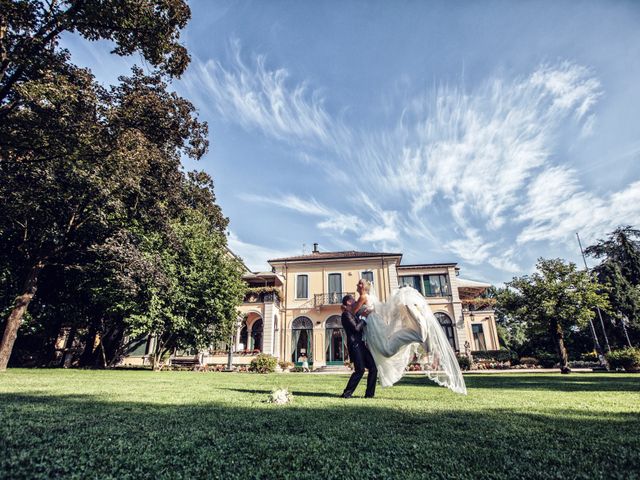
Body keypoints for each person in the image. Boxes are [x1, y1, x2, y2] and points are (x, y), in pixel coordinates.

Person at [355, 278, 467, 394]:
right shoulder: (371, 298)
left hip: (384, 328)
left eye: (359, 283)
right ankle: (413, 334)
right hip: (385, 328)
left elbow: (355, 311)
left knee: (386, 351)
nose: (357, 285)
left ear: (364, 286)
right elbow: (379, 309)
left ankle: (415, 335)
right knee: (386, 350)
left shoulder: (364, 297)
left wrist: (361, 314)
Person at [340, 294, 377, 398]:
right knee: (360, 370)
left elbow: (359, 324)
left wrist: (363, 316)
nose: (355, 300)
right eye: (353, 299)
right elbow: (356, 328)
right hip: (354, 345)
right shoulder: (345, 314)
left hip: (360, 344)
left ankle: (369, 394)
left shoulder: (352, 314)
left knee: (373, 368)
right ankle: (347, 393)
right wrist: (364, 318)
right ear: (348, 302)